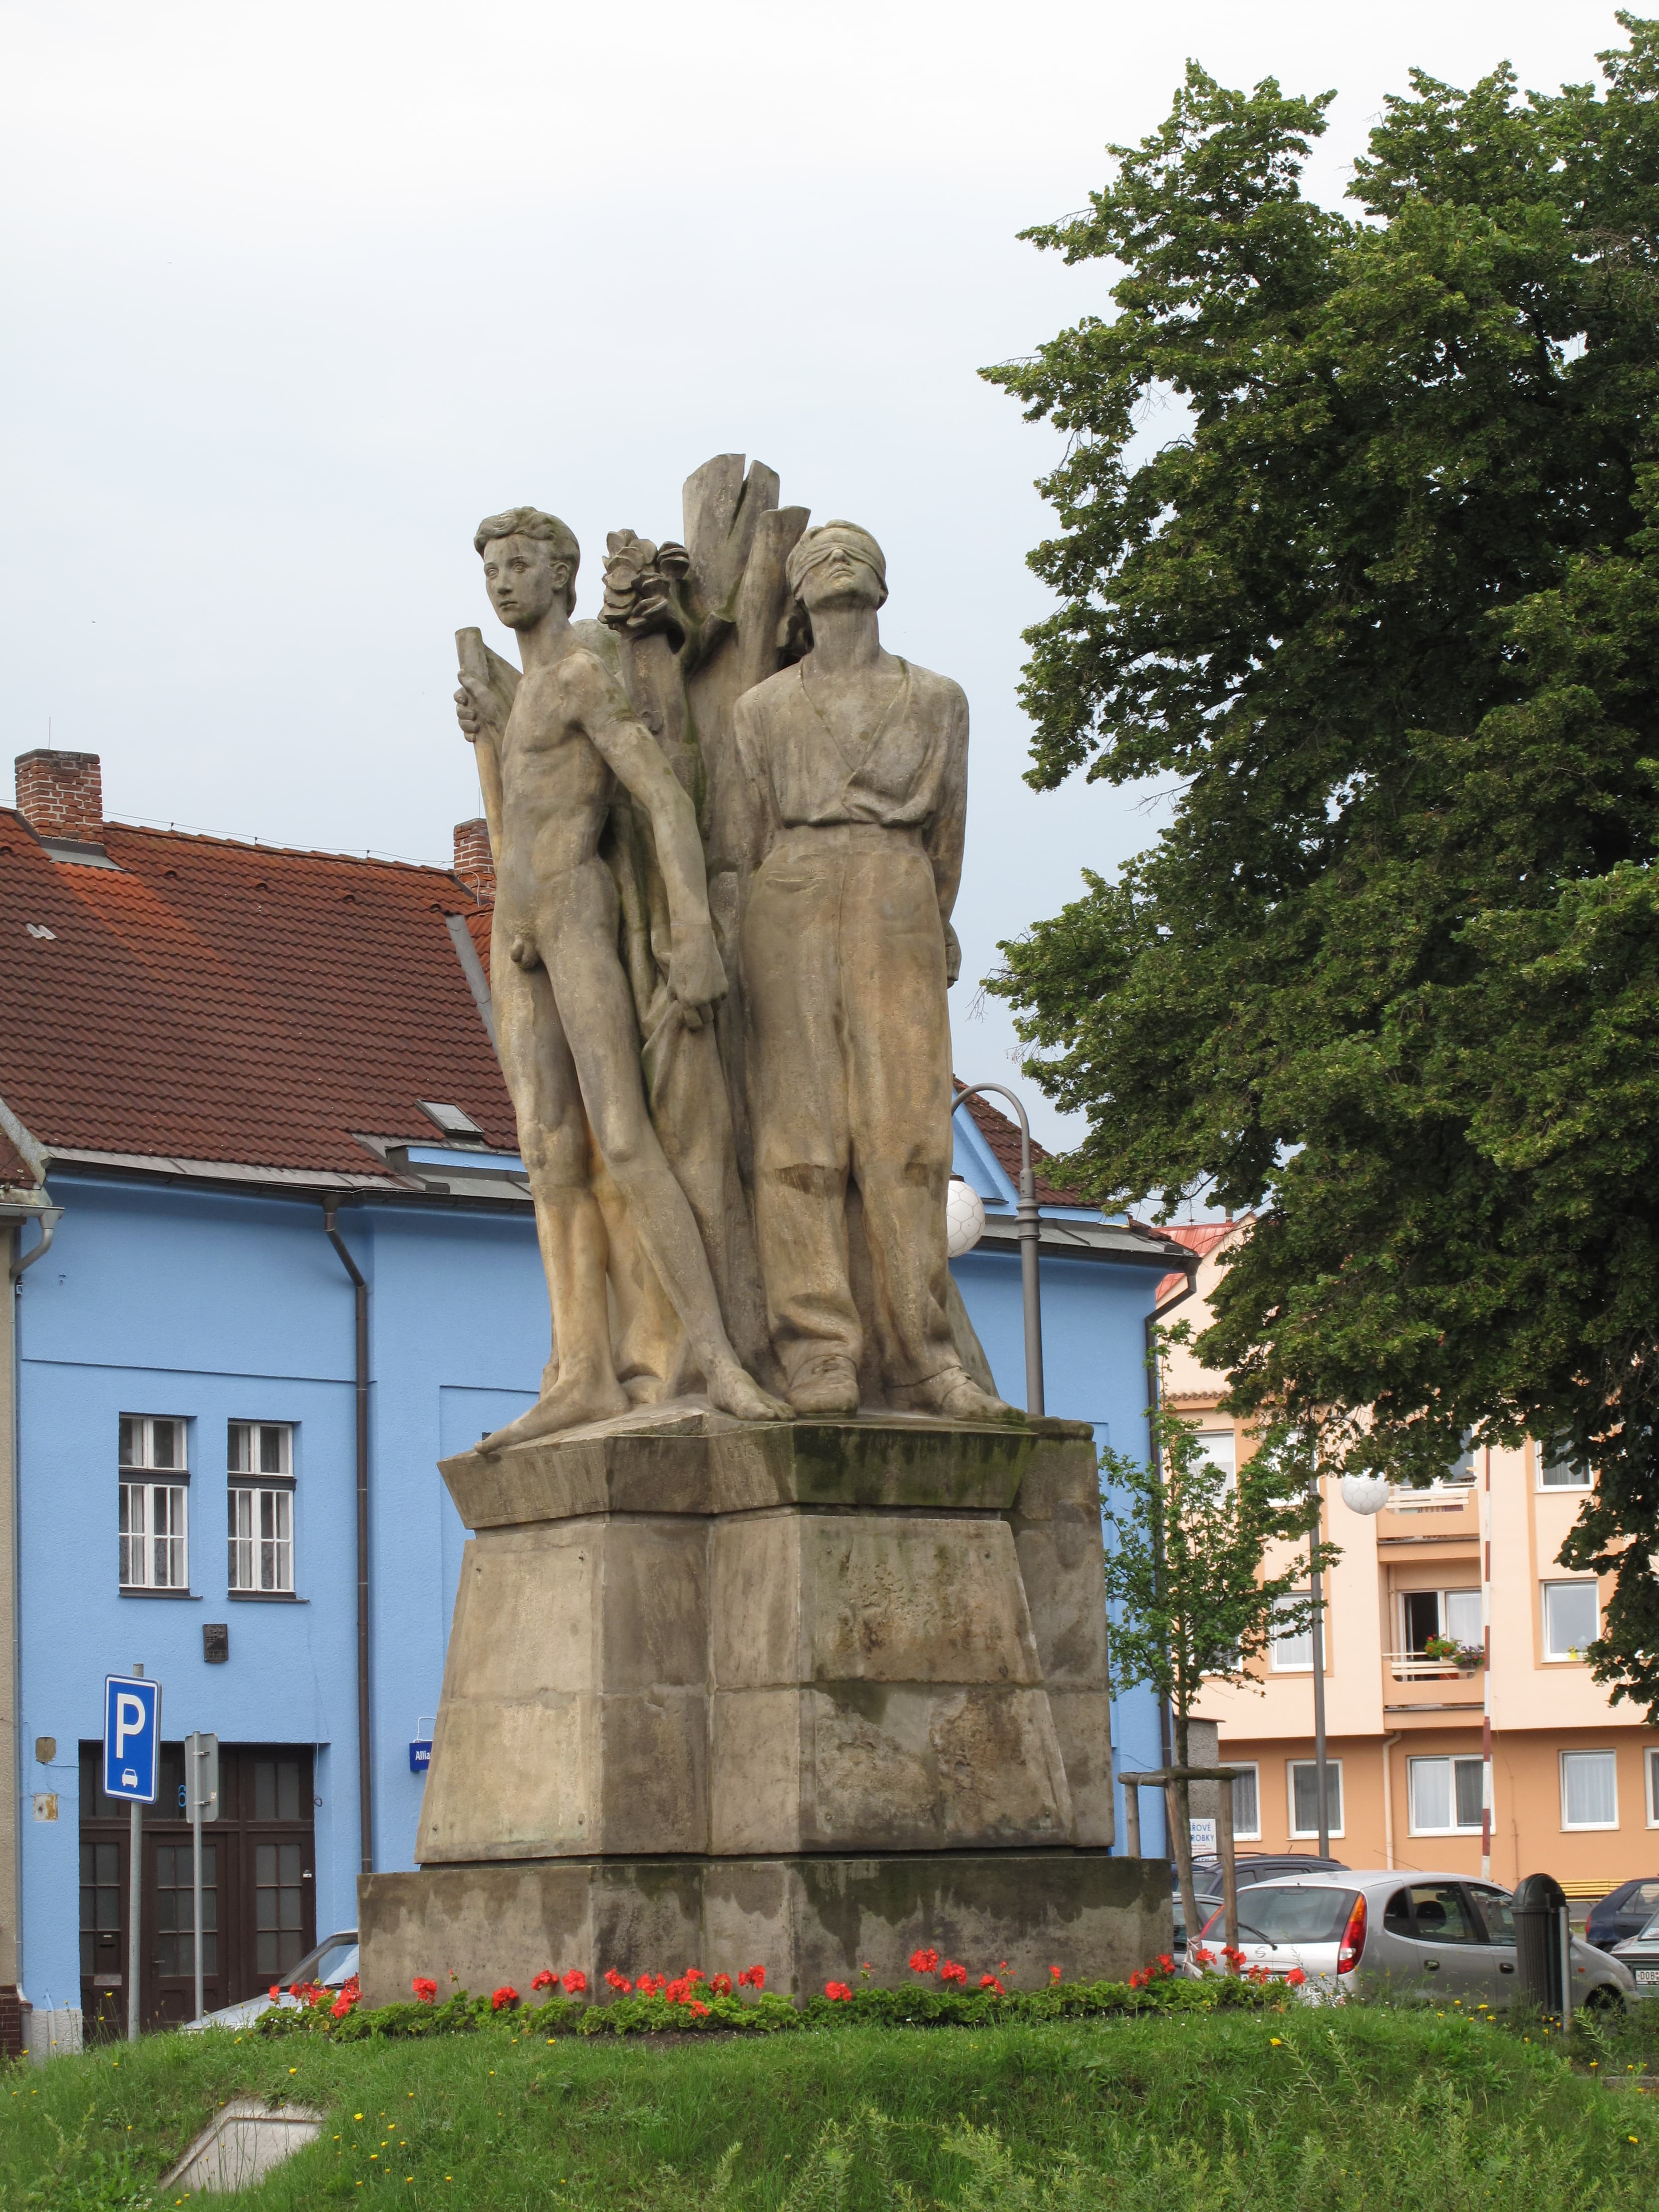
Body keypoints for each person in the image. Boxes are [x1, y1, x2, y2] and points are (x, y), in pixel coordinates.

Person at [454, 506, 789, 1448]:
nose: (503, 583)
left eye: (520, 566)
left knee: (626, 1140)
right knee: (547, 1153)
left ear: (561, 575)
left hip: (573, 907)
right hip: (514, 922)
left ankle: (717, 1359)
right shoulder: (522, 692)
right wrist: (486, 728)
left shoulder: (579, 676)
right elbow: (514, 811)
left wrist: (692, 932)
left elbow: (660, 799)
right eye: (492, 570)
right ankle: (582, 1370)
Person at [733, 521, 1011, 1420]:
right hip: (793, 893)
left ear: (883, 585)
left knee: (908, 1138)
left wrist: (935, 916)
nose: (836, 561)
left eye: (854, 553)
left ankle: (926, 1359)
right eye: (816, 557)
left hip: (898, 892)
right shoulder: (763, 709)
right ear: (799, 594)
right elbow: (745, 835)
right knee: (800, 1136)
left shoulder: (938, 699)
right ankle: (820, 1352)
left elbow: (952, 831)